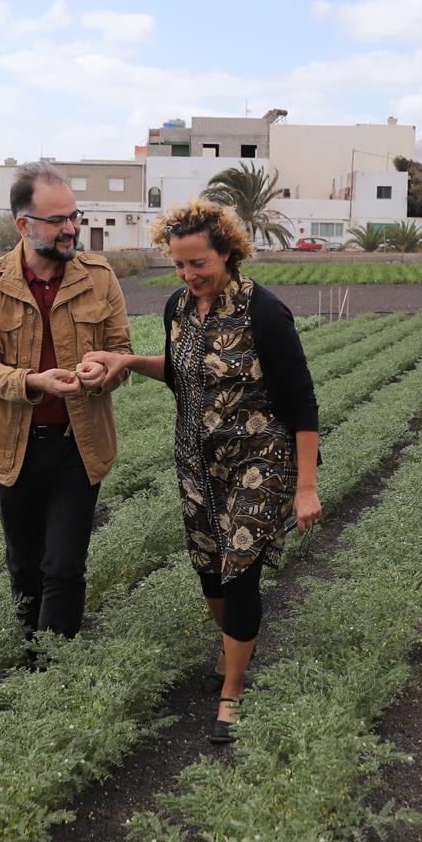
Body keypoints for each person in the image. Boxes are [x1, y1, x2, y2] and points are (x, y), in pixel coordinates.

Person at [78, 200, 318, 742]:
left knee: (240, 573)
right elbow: (186, 374)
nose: (189, 275)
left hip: (260, 461)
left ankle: (233, 689)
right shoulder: (178, 309)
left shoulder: (265, 312)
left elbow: (303, 402)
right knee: (209, 570)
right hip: (195, 461)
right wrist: (130, 362)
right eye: (180, 265)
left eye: (199, 264)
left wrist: (306, 487)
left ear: (229, 253)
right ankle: (232, 648)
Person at [0, 161, 132, 645]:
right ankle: (30, 658)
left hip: (77, 443)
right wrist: (33, 381)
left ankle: (50, 674)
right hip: (13, 446)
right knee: (26, 565)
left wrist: (104, 372)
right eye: (58, 220)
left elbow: (120, 348)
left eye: (74, 217)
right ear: (24, 224)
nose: (71, 228)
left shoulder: (98, 277)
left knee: (63, 566)